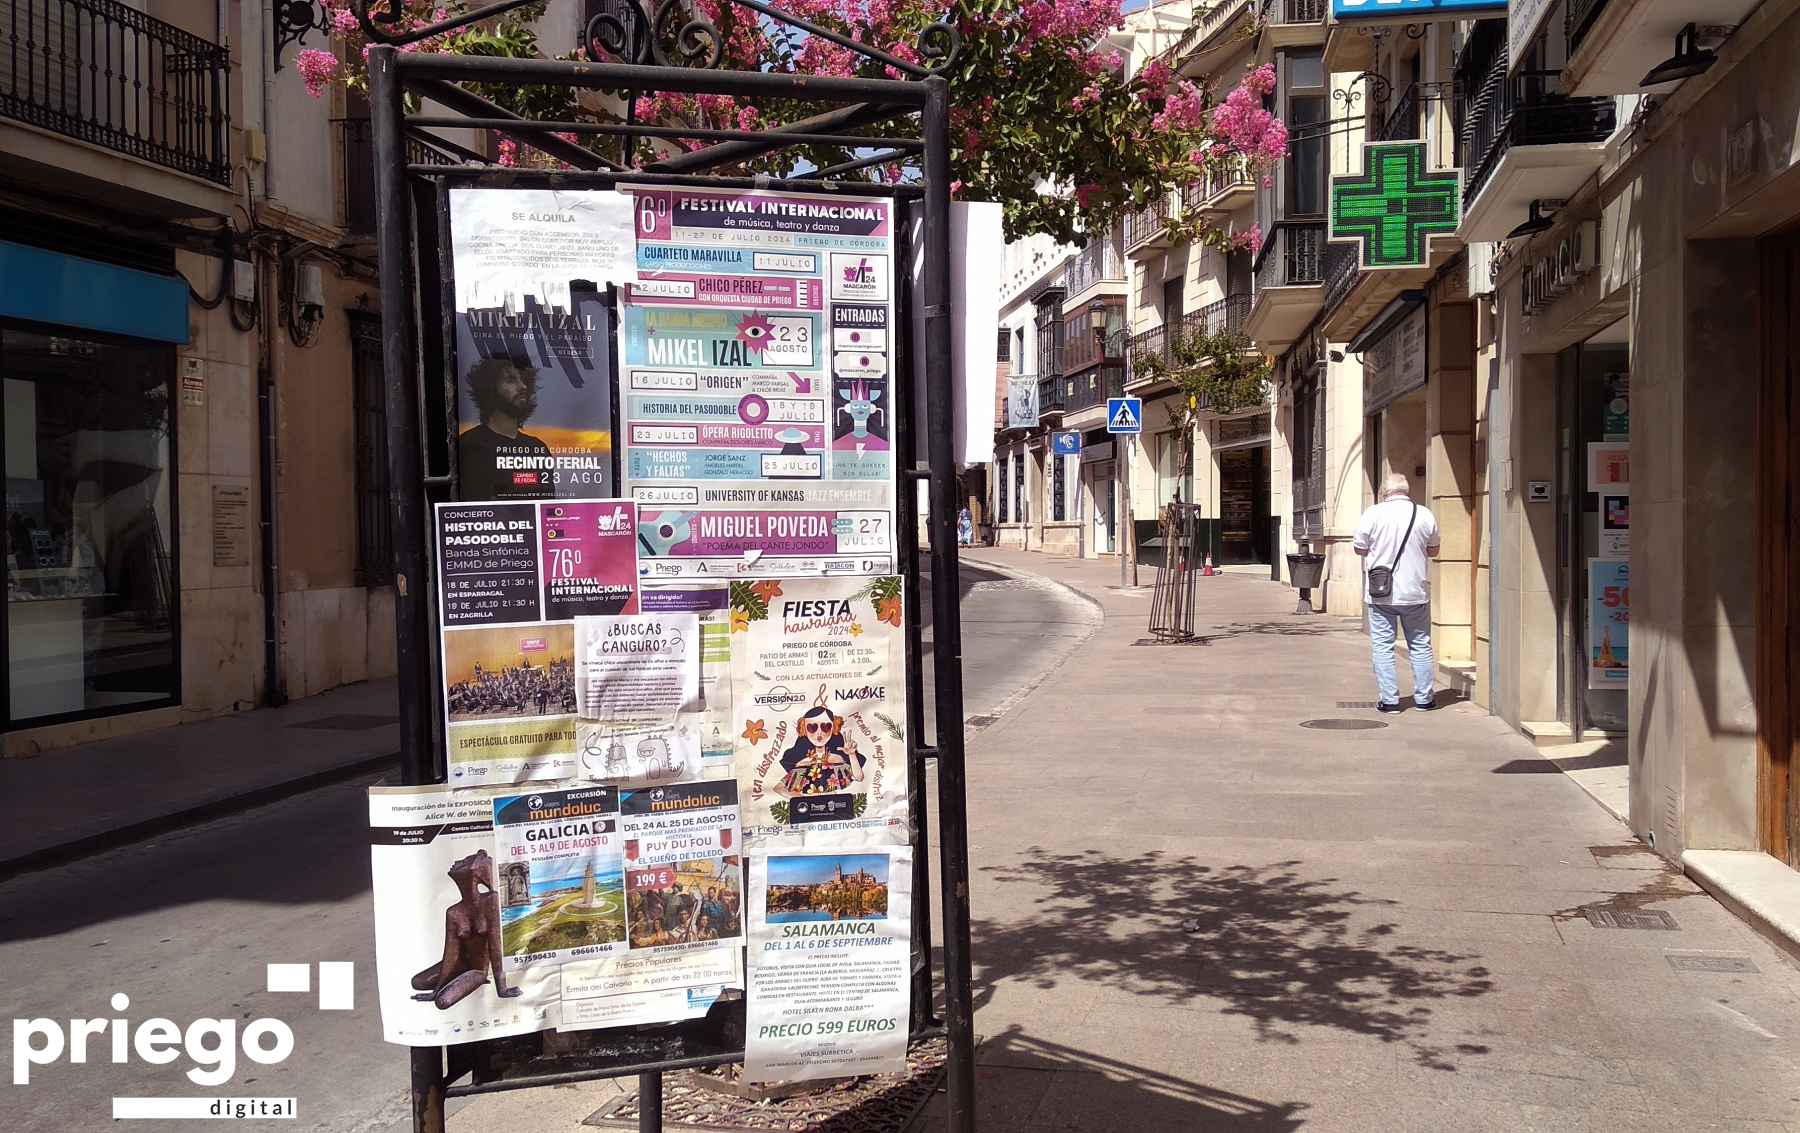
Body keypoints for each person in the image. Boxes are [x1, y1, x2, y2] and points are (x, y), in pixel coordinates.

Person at [1352, 473, 1442, 713]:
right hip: (1415, 591)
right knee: (1421, 645)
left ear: (1385, 492)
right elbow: (1434, 550)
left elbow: (1359, 548)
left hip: (1381, 592)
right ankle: (1424, 699)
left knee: (1383, 646)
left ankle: (1390, 700)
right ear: (1407, 490)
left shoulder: (1373, 513)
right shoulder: (1424, 514)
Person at [457, 355, 554, 500]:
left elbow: (547, 510)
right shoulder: (470, 446)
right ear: (490, 389)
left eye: (523, 379)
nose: (523, 386)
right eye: (510, 380)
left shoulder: (538, 448)